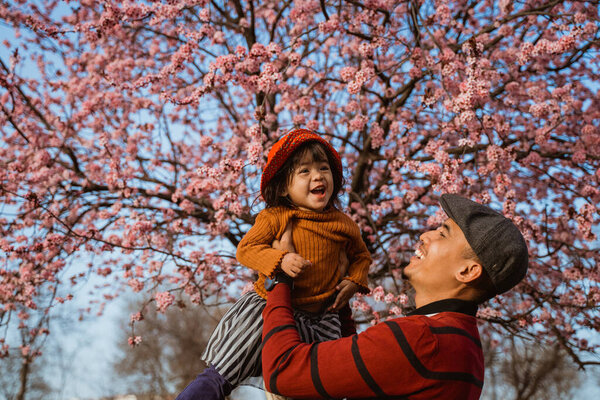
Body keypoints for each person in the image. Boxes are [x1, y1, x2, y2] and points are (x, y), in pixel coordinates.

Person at [261, 194, 529, 399]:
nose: (425, 235)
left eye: (443, 234)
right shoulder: (465, 347)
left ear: (467, 271)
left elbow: (283, 370)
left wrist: (281, 274)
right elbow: (361, 369)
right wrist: (337, 301)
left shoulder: (421, 338)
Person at [176, 128, 372, 399]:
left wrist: (354, 281)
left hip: (323, 316)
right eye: (304, 171)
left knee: (327, 381)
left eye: (324, 168)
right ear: (282, 186)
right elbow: (246, 250)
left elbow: (362, 257)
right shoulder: (275, 217)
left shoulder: (343, 224)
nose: (317, 176)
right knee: (226, 370)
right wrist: (280, 258)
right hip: (271, 307)